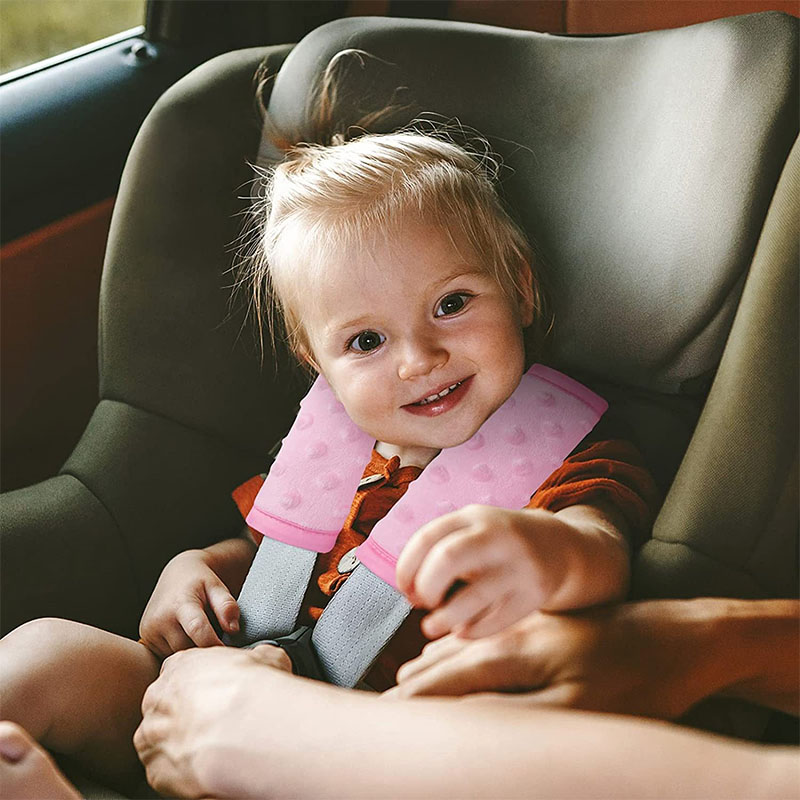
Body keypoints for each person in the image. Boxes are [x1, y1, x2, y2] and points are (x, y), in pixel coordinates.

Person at [0, 51, 658, 797]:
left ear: (521, 289)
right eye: (366, 341)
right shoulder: (337, 444)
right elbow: (264, 555)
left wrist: (547, 553)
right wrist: (197, 571)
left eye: (452, 303)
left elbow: (601, 547)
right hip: (228, 691)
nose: (419, 358)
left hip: (377, 753)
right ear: (316, 359)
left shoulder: (564, 450)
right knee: (41, 654)